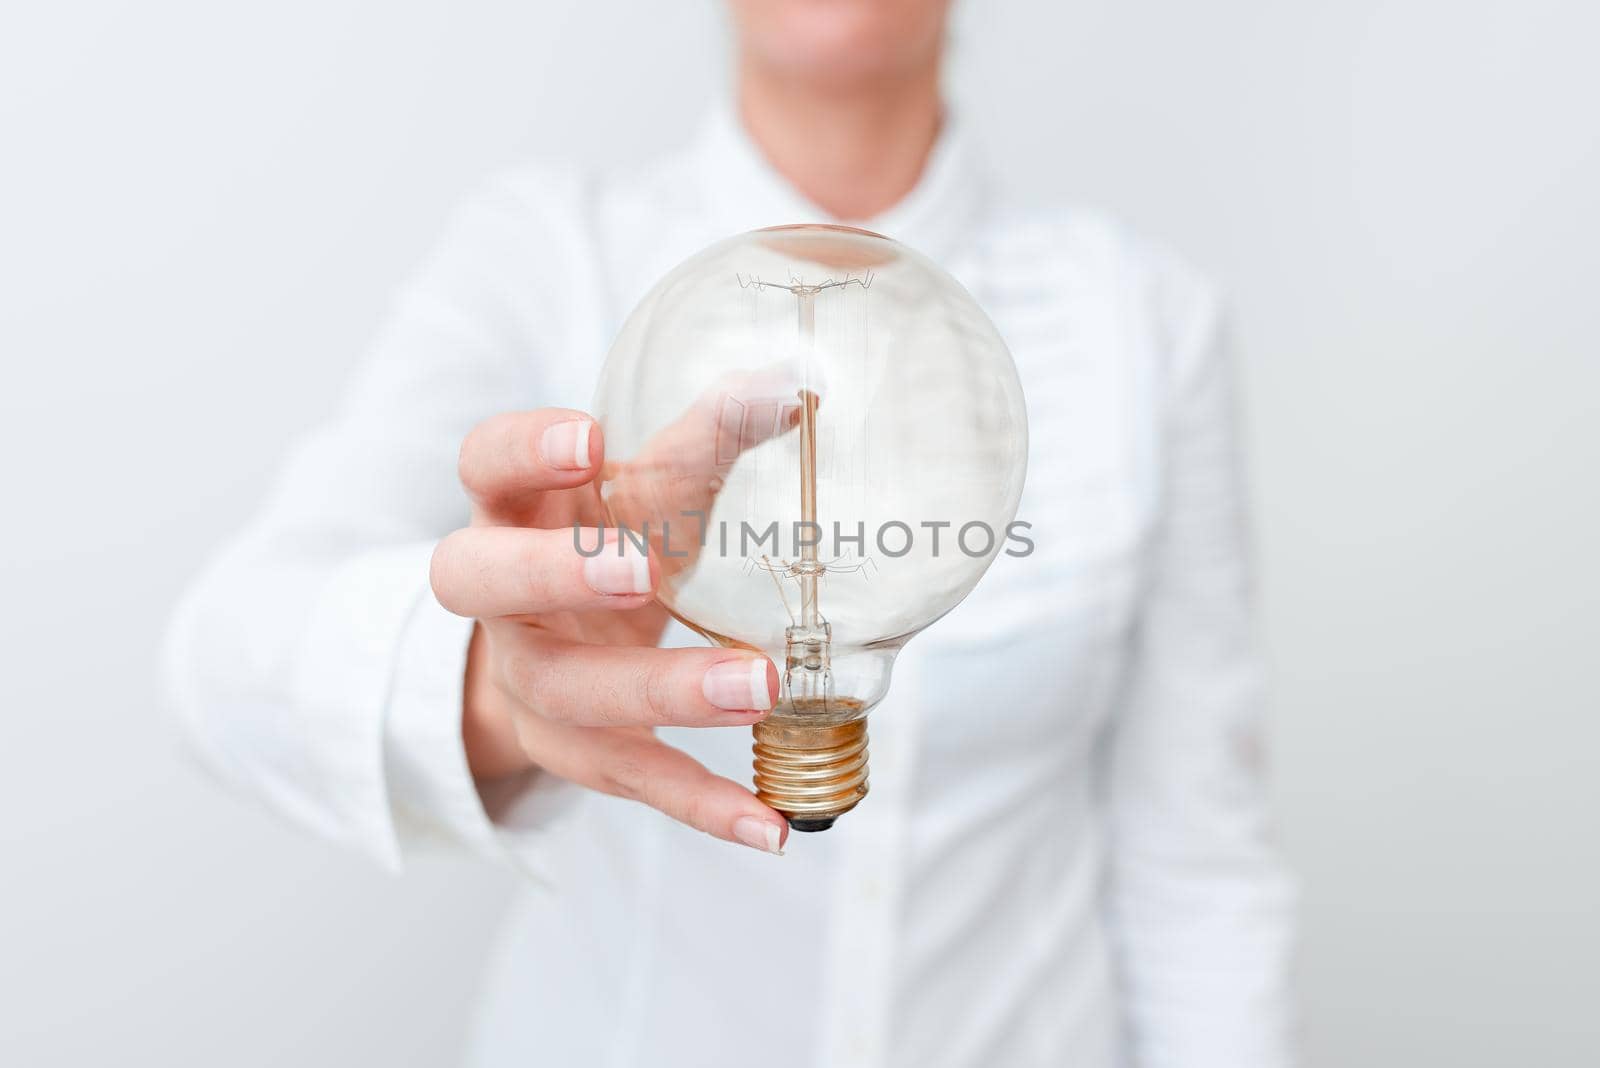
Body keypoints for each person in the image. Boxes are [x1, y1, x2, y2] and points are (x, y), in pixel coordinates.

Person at [166, 2, 1296, 1065]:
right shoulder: (550, 255)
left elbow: (1195, 866)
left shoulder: (1138, 320)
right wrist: (503, 692)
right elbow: (224, 659)